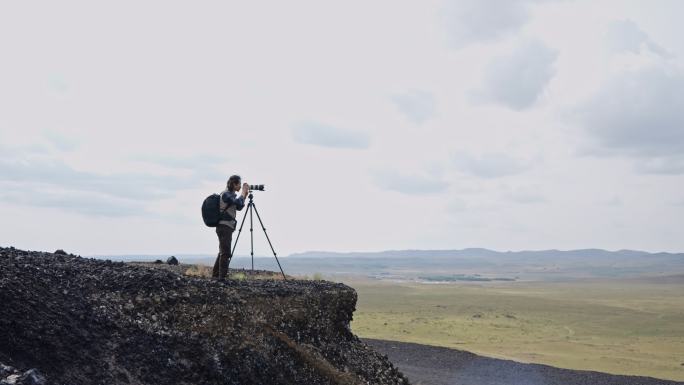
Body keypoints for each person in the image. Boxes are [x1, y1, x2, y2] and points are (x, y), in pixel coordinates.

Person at [212, 175, 249, 280]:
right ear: (234, 184)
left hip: (226, 227)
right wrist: (242, 193)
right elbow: (237, 202)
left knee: (222, 251)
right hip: (224, 226)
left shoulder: (230, 195)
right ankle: (221, 278)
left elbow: (239, 206)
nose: (240, 187)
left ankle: (216, 276)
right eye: (239, 184)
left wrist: (244, 195)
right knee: (226, 252)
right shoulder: (226, 194)